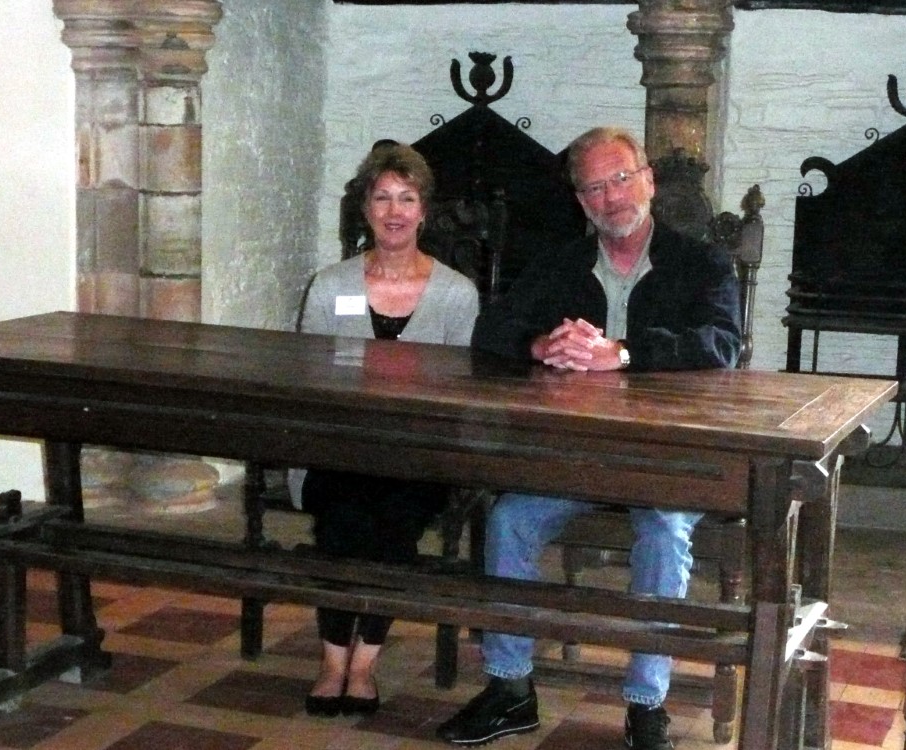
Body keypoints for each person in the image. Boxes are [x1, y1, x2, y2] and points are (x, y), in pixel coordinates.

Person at [435, 127, 741, 750]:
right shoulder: (558, 262)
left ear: (648, 180)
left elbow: (723, 347)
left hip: (667, 456)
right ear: (580, 200)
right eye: (594, 188)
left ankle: (647, 703)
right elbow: (491, 330)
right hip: (575, 454)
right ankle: (510, 688)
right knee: (510, 521)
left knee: (662, 531)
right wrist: (537, 345)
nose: (611, 198)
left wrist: (622, 353)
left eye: (621, 179)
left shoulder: (702, 262)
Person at [298, 142, 479, 718]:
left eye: (407, 198)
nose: (394, 211)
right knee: (342, 517)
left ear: (424, 211)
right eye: (382, 198)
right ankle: (332, 660)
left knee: (392, 527)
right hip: (341, 445)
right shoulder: (330, 285)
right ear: (365, 208)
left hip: (418, 453)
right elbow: (308, 378)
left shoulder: (456, 293)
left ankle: (364, 661)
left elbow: (461, 392)